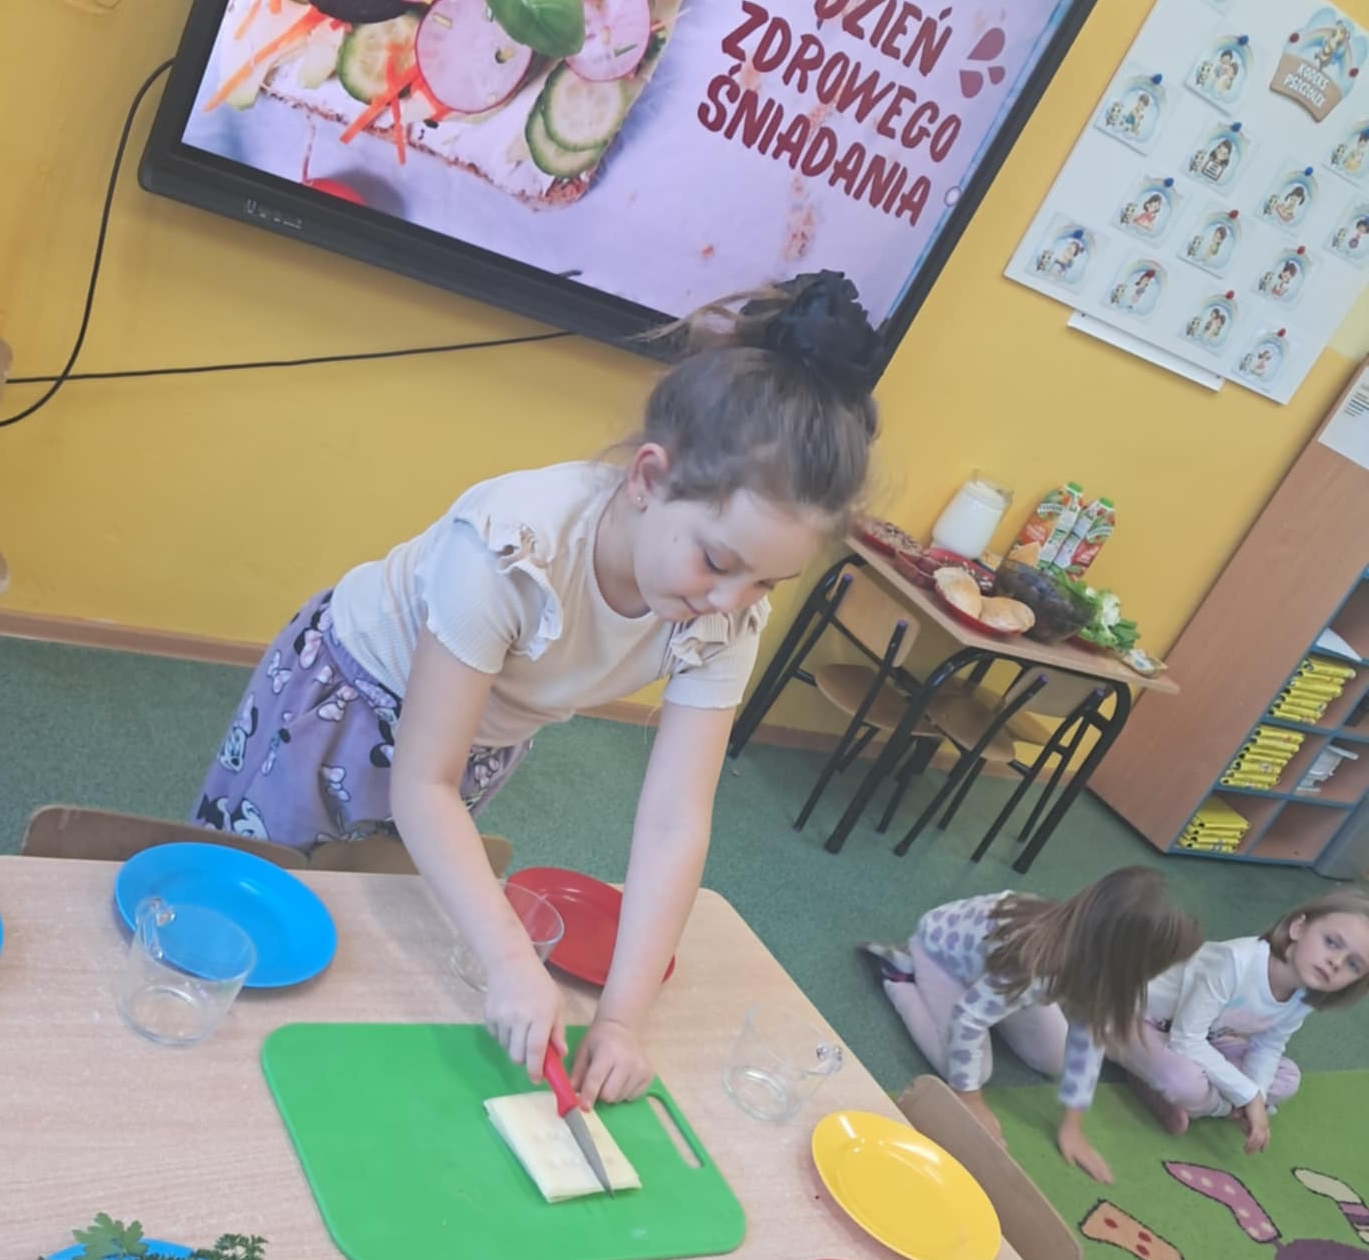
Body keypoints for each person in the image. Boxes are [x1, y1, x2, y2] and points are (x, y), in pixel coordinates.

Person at [193, 271, 883, 1102]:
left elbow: (675, 821)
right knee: (251, 909)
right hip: (340, 702)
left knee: (376, 920)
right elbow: (423, 781)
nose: (731, 603)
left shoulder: (725, 614)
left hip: (477, 740)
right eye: (718, 561)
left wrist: (622, 1019)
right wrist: (513, 961)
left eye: (767, 583)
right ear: (648, 479)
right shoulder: (512, 545)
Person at [861, 869, 1200, 1184]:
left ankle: (996, 1006)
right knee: (970, 1070)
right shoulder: (1037, 962)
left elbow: (1090, 1036)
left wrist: (1072, 1126)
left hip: (998, 980)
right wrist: (971, 1099)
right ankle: (901, 975)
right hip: (939, 957)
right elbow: (968, 1018)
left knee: (1054, 1058)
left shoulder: (1092, 956)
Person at [1119, 889, 1369, 1149]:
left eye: (1353, 964)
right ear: (1298, 928)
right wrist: (1249, 1098)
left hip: (1205, 1035)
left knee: (1287, 1078)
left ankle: (1160, 1084)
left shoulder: (1304, 994)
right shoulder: (1235, 961)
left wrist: (1256, 1093)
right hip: (1136, 1019)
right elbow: (1186, 1040)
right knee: (1184, 1082)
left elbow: (1268, 1046)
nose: (1336, 962)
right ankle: (1213, 1105)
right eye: (1331, 942)